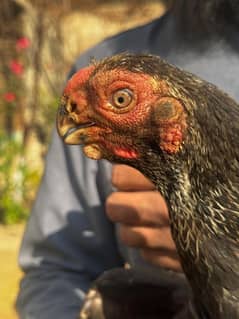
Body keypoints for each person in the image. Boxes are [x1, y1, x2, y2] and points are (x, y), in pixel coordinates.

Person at [16, 1, 239, 318]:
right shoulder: (108, 54)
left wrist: (214, 244)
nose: (75, 113)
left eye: (121, 99)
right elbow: (53, 271)